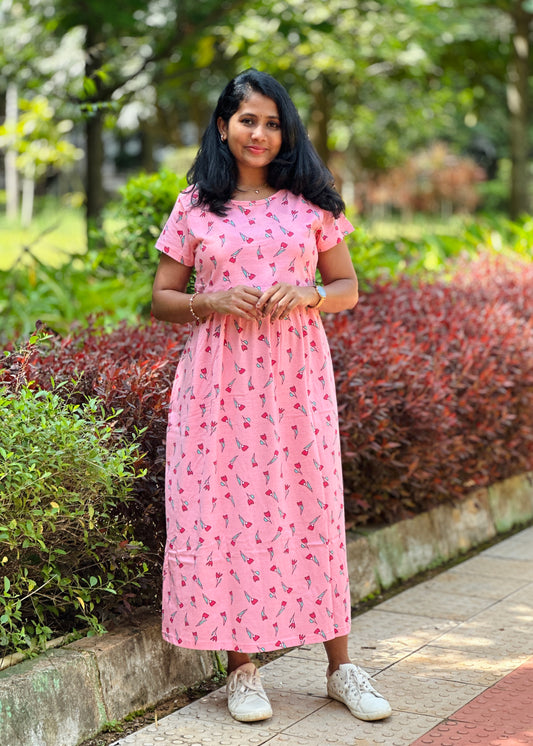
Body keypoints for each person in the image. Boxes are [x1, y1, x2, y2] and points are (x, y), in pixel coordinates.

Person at [151, 68, 391, 724]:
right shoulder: (196, 204)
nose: (259, 133)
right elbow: (162, 297)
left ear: (286, 131)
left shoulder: (312, 200)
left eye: (272, 122)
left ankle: (341, 668)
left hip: (294, 380)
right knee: (228, 512)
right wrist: (211, 300)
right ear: (223, 125)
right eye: (247, 120)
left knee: (313, 507)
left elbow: (347, 288)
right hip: (218, 383)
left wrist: (308, 293)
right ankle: (243, 670)